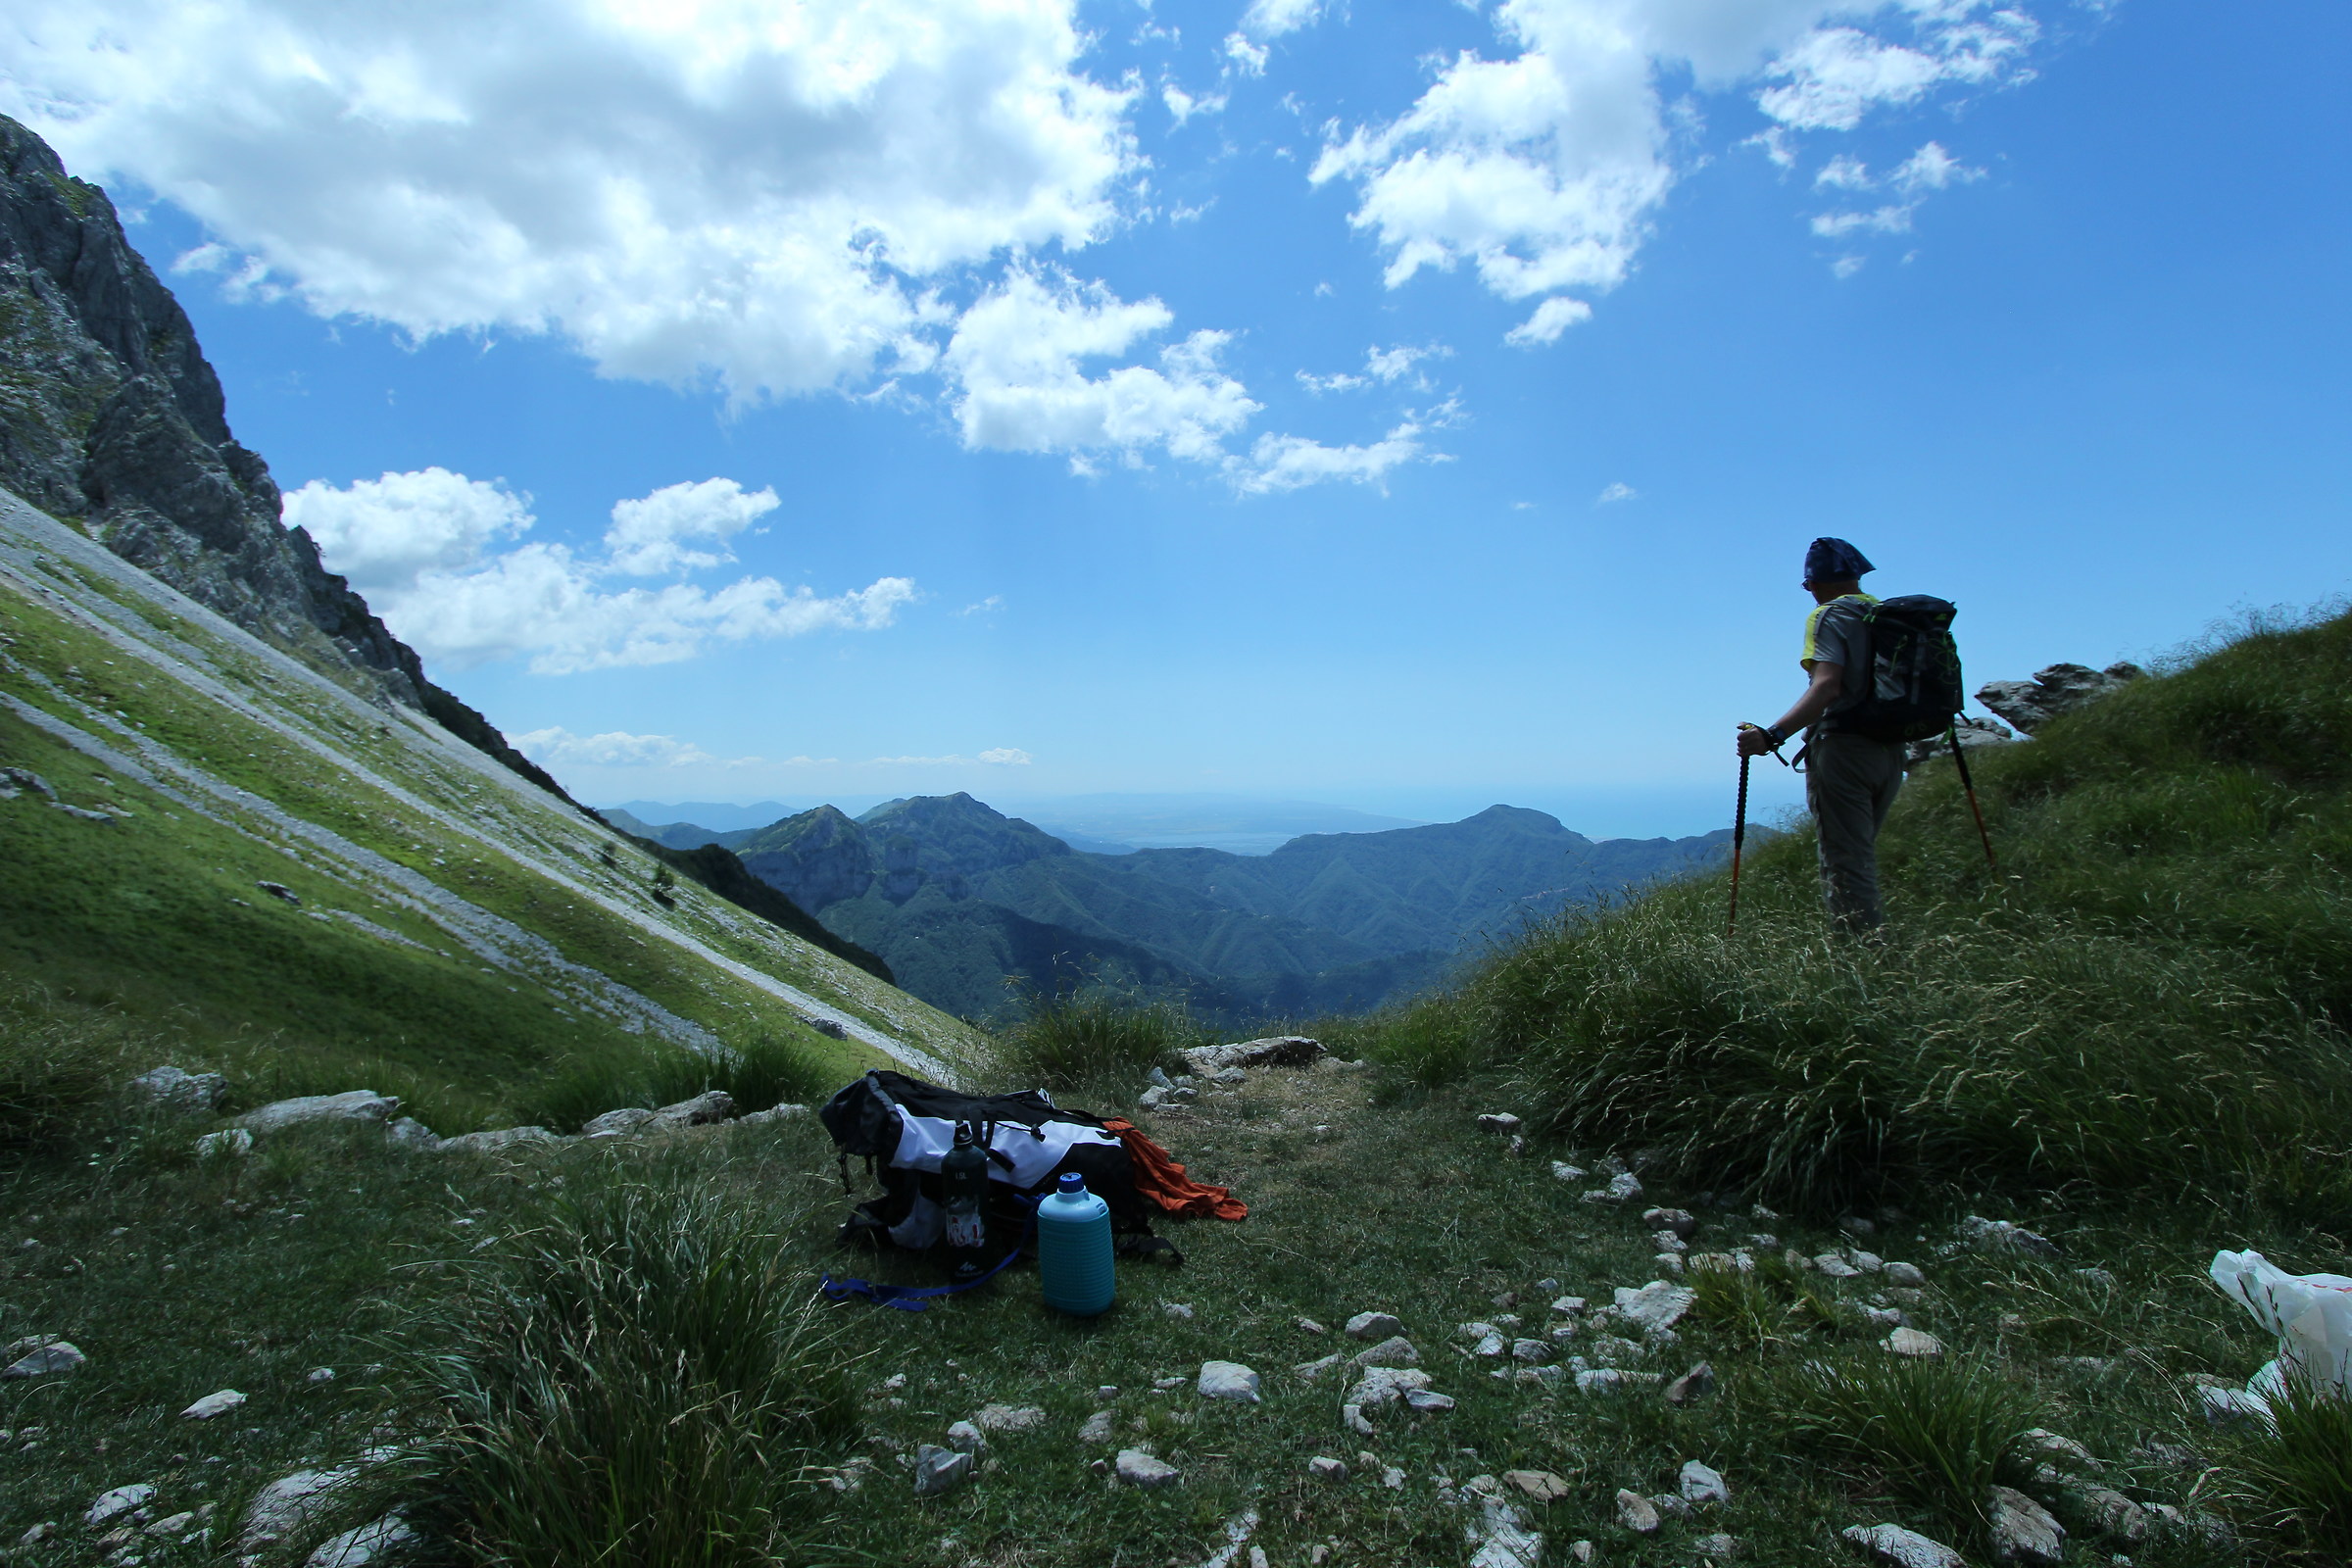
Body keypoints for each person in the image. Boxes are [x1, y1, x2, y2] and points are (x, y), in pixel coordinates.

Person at [1738, 537, 1908, 932]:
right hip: (1893, 749)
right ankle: (1872, 947)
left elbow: (1828, 685)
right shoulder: (1888, 616)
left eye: (1807, 585)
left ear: (1813, 582)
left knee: (1846, 863)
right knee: (1860, 853)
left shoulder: (1828, 616)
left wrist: (1773, 735)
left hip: (1846, 751)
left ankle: (1862, 965)